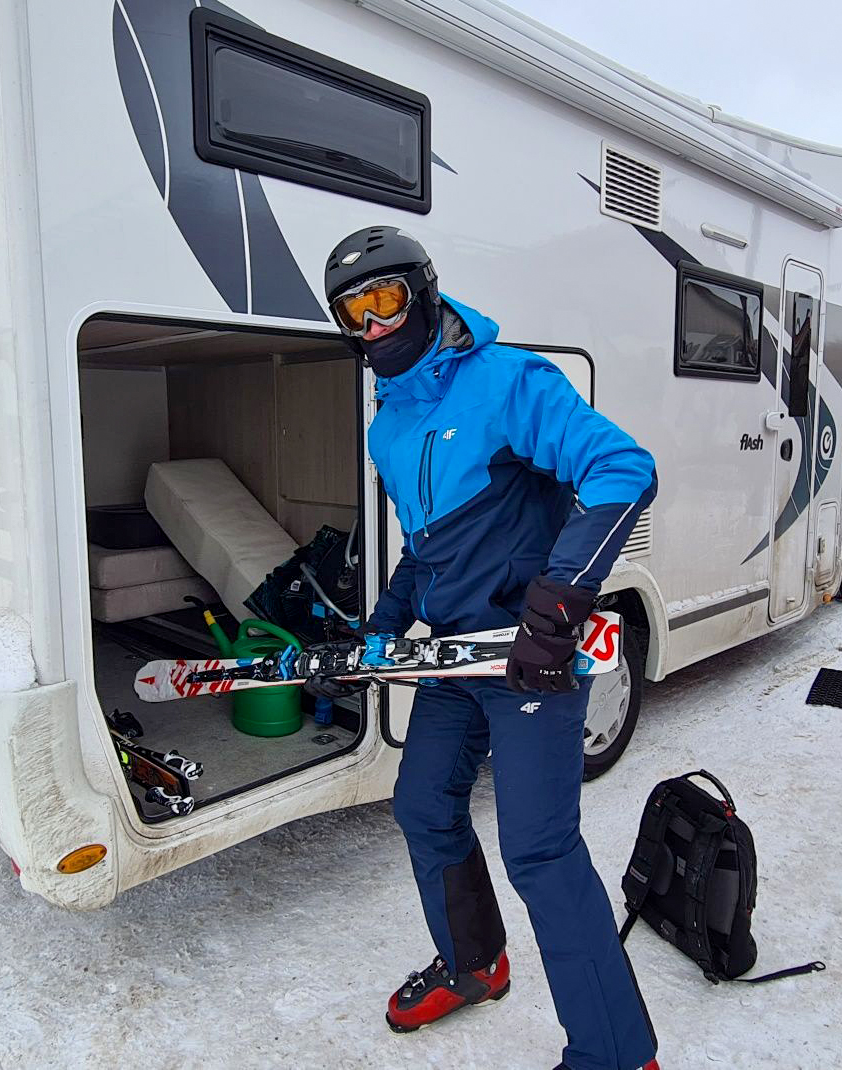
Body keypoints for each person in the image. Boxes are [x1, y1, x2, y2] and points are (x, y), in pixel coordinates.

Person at [312, 226, 661, 1070]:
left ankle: (617, 1056)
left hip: (532, 658)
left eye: (385, 299)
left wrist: (558, 605)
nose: (373, 325)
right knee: (422, 806)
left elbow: (623, 467)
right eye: (352, 313)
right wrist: (381, 631)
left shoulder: (508, 382)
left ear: (425, 292)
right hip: (455, 658)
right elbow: (425, 549)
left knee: (539, 850)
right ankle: (476, 965)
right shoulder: (389, 428)